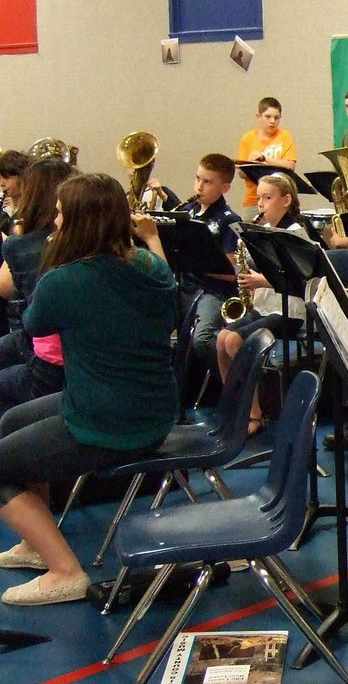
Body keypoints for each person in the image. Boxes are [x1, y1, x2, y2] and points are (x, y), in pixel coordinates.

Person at [0, 173, 176, 605]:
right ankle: (35, 545)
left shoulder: (65, 279)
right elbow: (167, 285)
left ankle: (65, 571)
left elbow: (32, 323)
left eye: (60, 213)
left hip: (107, 419)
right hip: (153, 407)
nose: (54, 220)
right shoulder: (151, 265)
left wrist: (46, 260)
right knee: (12, 419)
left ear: (78, 221)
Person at [214, 172, 307, 436]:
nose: (261, 205)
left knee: (234, 341)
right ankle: (232, 407)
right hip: (265, 306)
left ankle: (255, 413)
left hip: (291, 311)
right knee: (222, 338)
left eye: (267, 198)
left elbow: (297, 280)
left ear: (286, 200)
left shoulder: (295, 233)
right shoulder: (262, 232)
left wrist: (260, 281)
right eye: (259, 199)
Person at [0, 159, 75, 418]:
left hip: (46, 359)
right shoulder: (95, 253)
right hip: (62, 354)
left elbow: (30, 318)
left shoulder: (32, 247)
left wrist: (11, 240)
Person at [182, 154, 243, 372]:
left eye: (207, 182)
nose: (199, 186)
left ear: (225, 188)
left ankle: (227, 383)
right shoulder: (187, 212)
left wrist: (193, 264)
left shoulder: (229, 220)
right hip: (186, 284)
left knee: (203, 338)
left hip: (215, 291)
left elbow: (230, 273)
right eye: (198, 179)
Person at [236, 96, 298, 220]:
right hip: (253, 201)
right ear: (259, 117)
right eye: (268, 117)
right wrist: (250, 162)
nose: (272, 121)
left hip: (280, 202)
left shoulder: (285, 136)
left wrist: (264, 158)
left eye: (276, 118)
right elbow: (241, 174)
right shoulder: (248, 138)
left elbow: (290, 166)